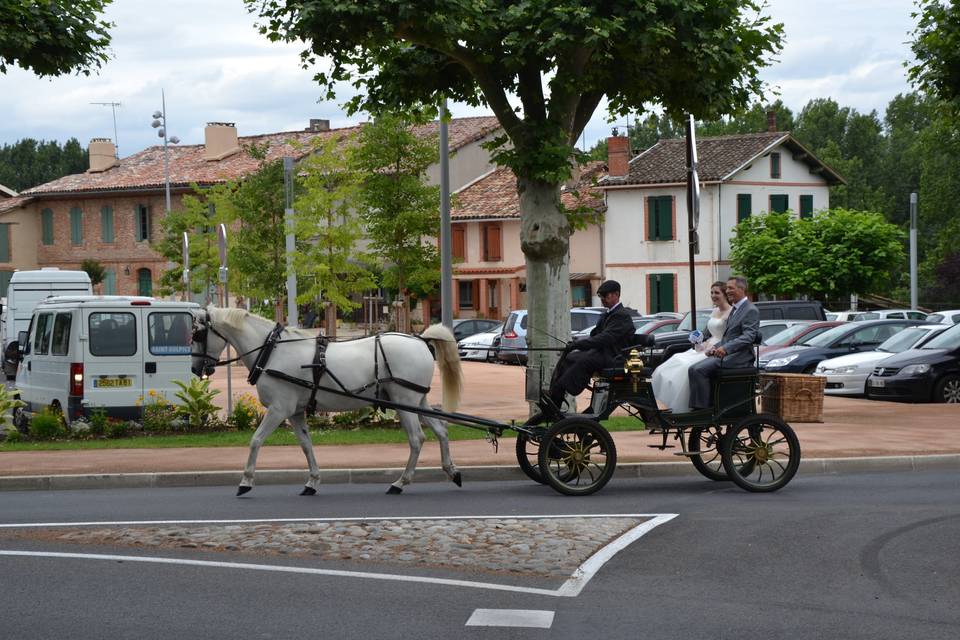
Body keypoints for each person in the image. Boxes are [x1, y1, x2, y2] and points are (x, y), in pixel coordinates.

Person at [542, 279, 637, 415]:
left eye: (606, 295)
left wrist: (579, 344)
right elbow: (595, 335)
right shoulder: (607, 315)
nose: (603, 299)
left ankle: (563, 388)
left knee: (584, 360)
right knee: (570, 356)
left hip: (614, 356)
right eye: (601, 296)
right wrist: (575, 344)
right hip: (603, 353)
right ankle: (556, 394)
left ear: (616, 295)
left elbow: (605, 338)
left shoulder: (622, 316)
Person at [651, 281, 731, 412]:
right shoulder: (715, 311)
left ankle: (689, 405)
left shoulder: (730, 312)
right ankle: (664, 400)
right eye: (711, 292)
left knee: (685, 366)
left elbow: (727, 336)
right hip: (707, 345)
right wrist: (698, 340)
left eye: (717, 293)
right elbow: (708, 333)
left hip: (718, 348)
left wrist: (713, 347)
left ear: (725, 295)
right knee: (677, 358)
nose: (713, 295)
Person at [687, 276, 760, 410]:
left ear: (741, 289)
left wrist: (725, 348)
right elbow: (728, 336)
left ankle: (704, 409)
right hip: (728, 354)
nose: (727, 291)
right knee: (693, 368)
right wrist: (714, 348)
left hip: (740, 357)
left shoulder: (750, 310)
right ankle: (698, 408)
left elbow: (748, 337)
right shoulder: (735, 309)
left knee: (698, 370)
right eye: (727, 288)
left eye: (731, 288)